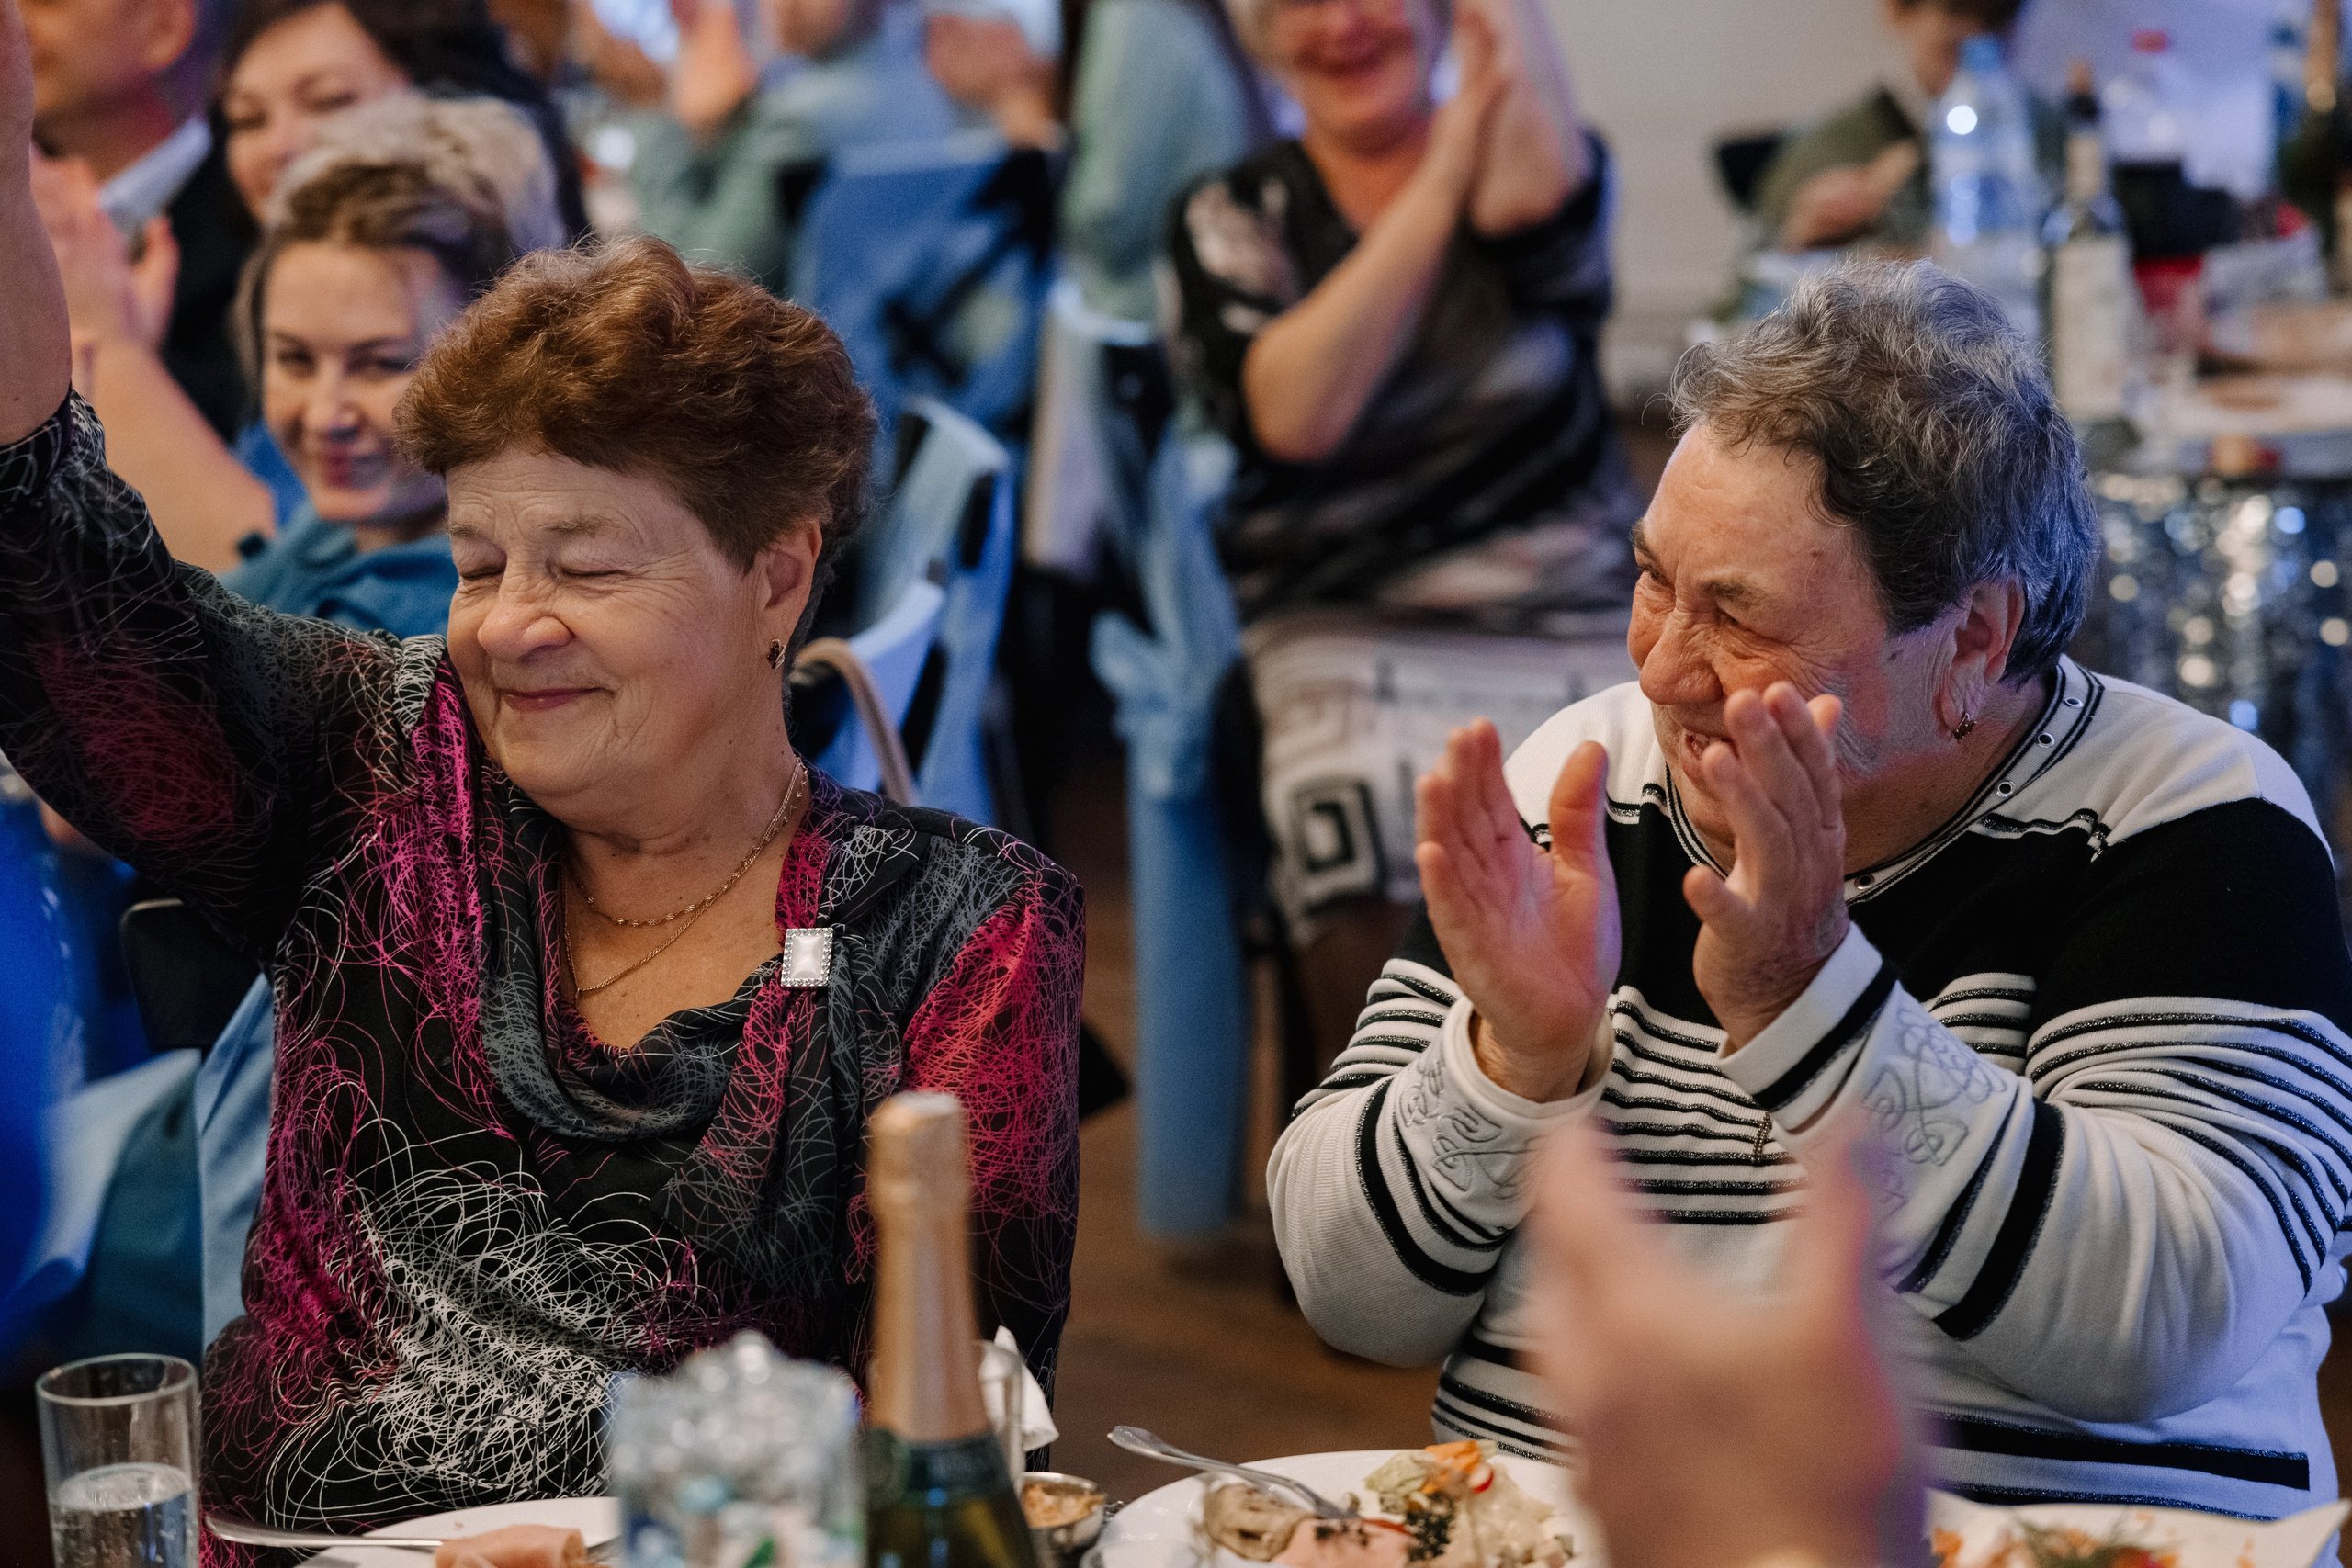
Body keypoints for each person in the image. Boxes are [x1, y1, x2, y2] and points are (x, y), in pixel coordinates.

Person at [0, 0, 1082, 1532]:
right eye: (478, 557)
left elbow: (958, 1430)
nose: (510, 624)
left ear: (777, 577)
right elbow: (60, 603)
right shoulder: (370, 758)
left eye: (582, 562)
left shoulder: (958, 929)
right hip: (302, 1546)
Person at [1268, 260, 2352, 1518]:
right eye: (1653, 577)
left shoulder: (2190, 818)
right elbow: (1347, 1296)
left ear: (1974, 639)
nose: (1662, 666)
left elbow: (2169, 1321)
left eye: (1737, 615)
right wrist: (1512, 1062)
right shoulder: (1583, 782)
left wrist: (1813, 1002)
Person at [1165, 0, 1638, 1066]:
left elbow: (1536, 215)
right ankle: (1390, 1173)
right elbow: (1293, 417)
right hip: (1343, 612)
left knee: (1668, 817)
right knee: (1367, 830)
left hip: (1575, 596)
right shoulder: (1232, 213)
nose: (1338, 25)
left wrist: (1477, 116)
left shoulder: (1531, 162)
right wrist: (1444, 159)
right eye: (1293, 4)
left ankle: (1649, 1171)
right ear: (1256, 35)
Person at [628, 0, 973, 295]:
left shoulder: (801, 119)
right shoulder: (921, 89)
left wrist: (657, 111)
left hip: (808, 359)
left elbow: (695, 283)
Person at [24, 0, 247, 438]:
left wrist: (123, 356)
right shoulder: (15, 206)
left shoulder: (253, 220)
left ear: (164, 28)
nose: (11, 22)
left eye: (46, 2)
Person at [1747, 0, 2030, 257]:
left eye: (1998, 14)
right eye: (1956, 9)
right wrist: (1800, 244)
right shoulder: (1826, 154)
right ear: (1897, 10)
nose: (1975, 33)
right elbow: (1749, 289)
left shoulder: (2046, 134)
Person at [1057, 0, 1271, 324]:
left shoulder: (1135, 17)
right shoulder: (1183, 15)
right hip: (1211, 307)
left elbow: (1107, 221)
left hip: (1152, 324)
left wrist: (1024, 122)